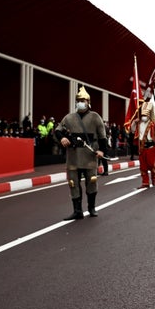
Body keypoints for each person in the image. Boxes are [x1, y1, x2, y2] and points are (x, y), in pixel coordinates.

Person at [54, 86, 107, 220]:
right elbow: (57, 130)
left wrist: (102, 150)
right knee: (73, 183)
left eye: (83, 100)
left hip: (89, 156)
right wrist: (62, 138)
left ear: (89, 102)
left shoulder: (95, 117)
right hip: (73, 156)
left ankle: (91, 208)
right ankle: (77, 211)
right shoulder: (69, 118)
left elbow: (102, 137)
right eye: (79, 100)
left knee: (92, 182)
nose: (81, 102)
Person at [132, 101, 155, 188]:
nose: (144, 117)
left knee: (151, 165)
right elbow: (132, 130)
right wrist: (134, 122)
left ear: (149, 115)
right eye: (142, 115)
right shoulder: (139, 123)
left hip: (151, 148)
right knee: (143, 166)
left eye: (145, 115)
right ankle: (145, 182)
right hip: (142, 147)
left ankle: (154, 178)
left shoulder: (153, 124)